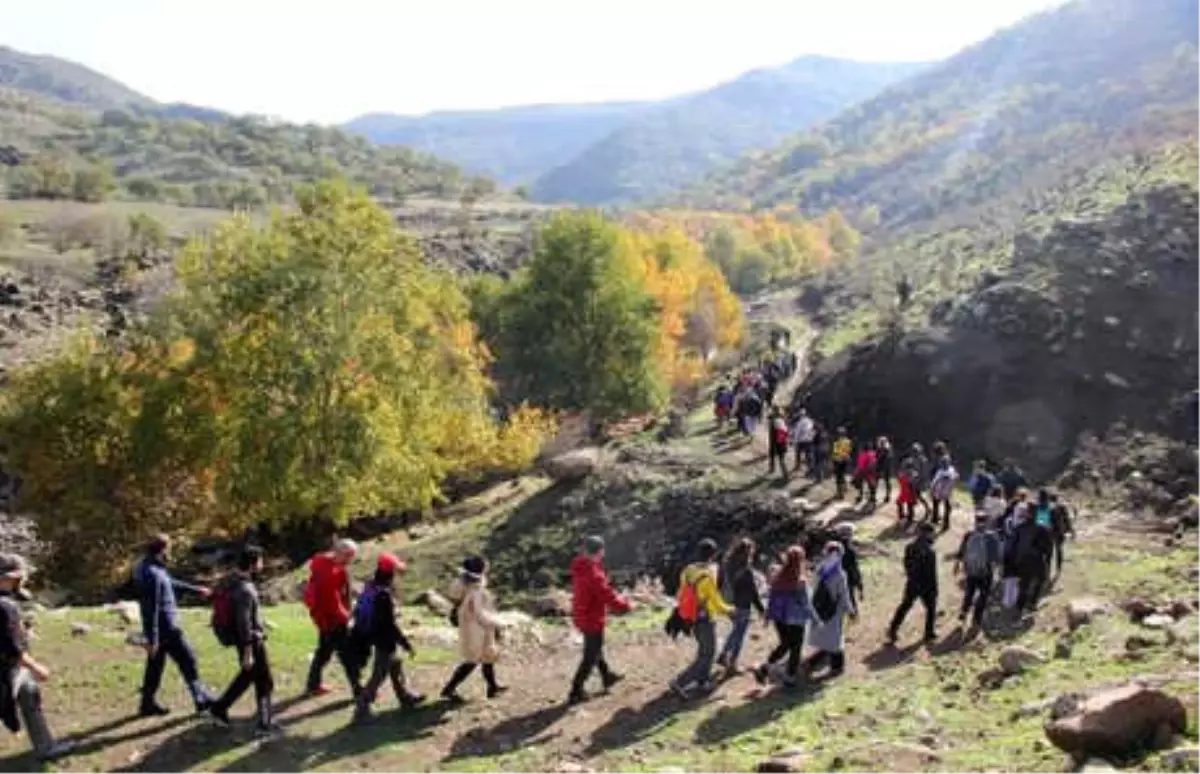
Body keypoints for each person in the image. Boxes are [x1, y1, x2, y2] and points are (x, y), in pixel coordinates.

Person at [0, 553, 74, 762]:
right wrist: (36, 667)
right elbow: (11, 650)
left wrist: (22, 632)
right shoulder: (5, 607)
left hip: (12, 670)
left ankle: (45, 747)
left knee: (29, 694)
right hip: (6, 671)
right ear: (11, 577)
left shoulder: (7, 603)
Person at [133, 534, 215, 717]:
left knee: (155, 666)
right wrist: (152, 638)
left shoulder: (153, 568)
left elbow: (171, 584)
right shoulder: (151, 572)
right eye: (169, 549)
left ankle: (147, 704)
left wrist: (196, 590)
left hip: (161, 629)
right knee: (188, 660)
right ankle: (200, 700)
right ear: (163, 549)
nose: (170, 553)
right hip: (166, 629)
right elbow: (151, 607)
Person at [209, 546, 277, 736]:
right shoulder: (245, 589)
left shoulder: (231, 579)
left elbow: (243, 613)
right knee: (264, 681)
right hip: (250, 641)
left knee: (248, 677)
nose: (263, 564)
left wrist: (261, 622)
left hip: (244, 637)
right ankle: (265, 725)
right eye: (261, 560)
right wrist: (248, 653)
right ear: (254, 563)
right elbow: (243, 623)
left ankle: (218, 709)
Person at [352, 553, 423, 723]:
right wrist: (405, 643)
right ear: (390, 575)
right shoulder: (383, 596)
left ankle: (405, 696)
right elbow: (390, 625)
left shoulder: (371, 586)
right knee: (379, 675)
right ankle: (362, 708)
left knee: (395, 665)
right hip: (384, 640)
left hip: (375, 637)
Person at [568, 536, 631, 705]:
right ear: (600, 551)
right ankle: (576, 690)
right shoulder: (593, 573)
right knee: (590, 655)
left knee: (595, 648)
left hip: (581, 615)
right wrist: (625, 605)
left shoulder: (580, 566)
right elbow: (607, 596)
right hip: (592, 619)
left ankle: (607, 676)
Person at [670, 539, 733, 699]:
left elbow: (680, 593)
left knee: (705, 651)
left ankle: (703, 682)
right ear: (713, 555)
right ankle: (680, 681)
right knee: (708, 653)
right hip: (705, 618)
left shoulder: (688, 570)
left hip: (690, 617)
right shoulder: (707, 575)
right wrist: (731, 609)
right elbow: (716, 602)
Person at [441, 556, 507, 703]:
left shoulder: (475, 581)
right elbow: (456, 598)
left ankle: (492, 686)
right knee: (473, 657)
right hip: (471, 622)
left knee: (488, 653)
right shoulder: (461, 583)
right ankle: (449, 688)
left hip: (482, 618)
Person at [304, 538, 360, 698]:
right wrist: (348, 618)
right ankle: (359, 690)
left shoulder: (324, 563)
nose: (350, 560)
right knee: (348, 655)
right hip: (333, 621)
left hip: (323, 620)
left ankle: (313, 685)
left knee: (324, 652)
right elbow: (333, 603)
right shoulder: (331, 573)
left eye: (352, 556)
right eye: (348, 555)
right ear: (338, 552)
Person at [754, 546, 811, 687]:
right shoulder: (800, 581)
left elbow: (772, 597)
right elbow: (805, 603)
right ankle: (790, 677)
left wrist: (768, 617)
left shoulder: (779, 576)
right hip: (795, 618)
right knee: (796, 647)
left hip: (779, 618)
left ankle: (765, 668)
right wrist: (815, 618)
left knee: (785, 644)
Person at [804, 542, 856, 678]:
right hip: (834, 611)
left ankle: (813, 662)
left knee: (828, 638)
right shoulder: (839, 574)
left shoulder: (819, 570)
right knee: (835, 640)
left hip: (819, 608)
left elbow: (813, 587)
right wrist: (851, 611)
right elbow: (844, 595)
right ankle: (836, 667)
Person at [716, 538, 763, 676]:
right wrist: (761, 610)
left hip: (727, 604)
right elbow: (753, 592)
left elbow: (718, 584)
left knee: (736, 631)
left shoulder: (724, 565)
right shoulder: (746, 570)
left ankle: (726, 657)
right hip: (742, 606)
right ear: (748, 553)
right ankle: (730, 663)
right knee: (739, 634)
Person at [886, 522, 939, 645]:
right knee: (931, 609)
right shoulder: (930, 551)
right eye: (932, 534)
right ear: (928, 534)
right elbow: (932, 573)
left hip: (913, 583)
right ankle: (929, 633)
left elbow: (906, 564)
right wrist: (935, 588)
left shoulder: (909, 547)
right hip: (926, 585)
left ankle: (893, 629)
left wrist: (911, 577)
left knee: (905, 606)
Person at [954, 513, 1001, 631]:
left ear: (975, 521)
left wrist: (957, 564)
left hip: (971, 570)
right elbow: (996, 556)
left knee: (969, 592)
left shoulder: (969, 534)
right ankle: (976, 618)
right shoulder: (991, 536)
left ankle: (964, 612)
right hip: (986, 571)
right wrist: (997, 568)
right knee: (983, 595)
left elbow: (962, 550)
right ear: (987, 521)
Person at [835, 523, 864, 609]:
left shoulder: (833, 549)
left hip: (835, 579)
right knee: (850, 598)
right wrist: (860, 586)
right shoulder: (851, 551)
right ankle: (853, 616)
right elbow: (855, 569)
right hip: (848, 579)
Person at [930, 455, 960, 531]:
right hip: (947, 493)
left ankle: (935, 520)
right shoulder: (951, 469)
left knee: (936, 505)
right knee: (947, 508)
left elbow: (934, 482)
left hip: (939, 492)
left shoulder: (940, 471)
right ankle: (945, 524)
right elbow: (956, 477)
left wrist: (932, 490)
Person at [1048, 493, 1075, 576]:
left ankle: (1048, 568)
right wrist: (1071, 530)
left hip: (1049, 532)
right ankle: (1058, 568)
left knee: (1049, 551)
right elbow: (1067, 520)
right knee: (1059, 549)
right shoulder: (1062, 507)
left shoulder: (1046, 507)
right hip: (1060, 531)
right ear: (1057, 499)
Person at [853, 440, 879, 507]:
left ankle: (861, 496)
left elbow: (860, 465)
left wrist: (856, 472)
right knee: (871, 485)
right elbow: (875, 462)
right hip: (871, 471)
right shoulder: (873, 453)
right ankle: (872, 497)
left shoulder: (863, 454)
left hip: (865, 471)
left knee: (859, 483)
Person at [767, 408, 790, 480]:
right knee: (781, 459)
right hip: (782, 442)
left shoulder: (774, 420)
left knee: (773, 457)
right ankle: (785, 474)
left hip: (774, 443)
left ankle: (772, 469)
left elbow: (772, 432)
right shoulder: (783, 420)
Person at [831, 427, 853, 499]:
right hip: (845, 460)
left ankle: (840, 493)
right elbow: (849, 450)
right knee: (843, 475)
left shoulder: (837, 442)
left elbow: (836, 452)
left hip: (838, 460)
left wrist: (834, 460)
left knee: (838, 477)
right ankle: (844, 487)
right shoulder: (848, 441)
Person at [876, 436, 895, 503]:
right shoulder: (885, 448)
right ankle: (886, 495)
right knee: (883, 481)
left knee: (886, 481)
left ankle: (887, 496)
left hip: (885, 466)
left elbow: (880, 457)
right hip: (883, 466)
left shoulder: (886, 448)